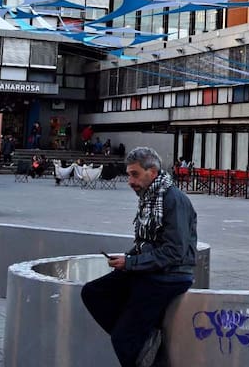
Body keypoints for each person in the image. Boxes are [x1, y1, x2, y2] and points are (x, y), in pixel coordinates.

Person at [81, 146, 196, 367]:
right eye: (129, 174)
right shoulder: (150, 196)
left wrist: (132, 262)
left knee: (124, 340)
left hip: (169, 277)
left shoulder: (172, 199)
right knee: (93, 293)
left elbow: (174, 252)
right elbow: (147, 242)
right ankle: (143, 337)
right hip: (149, 269)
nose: (130, 181)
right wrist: (127, 258)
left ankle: (138, 339)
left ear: (152, 172)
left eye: (135, 174)